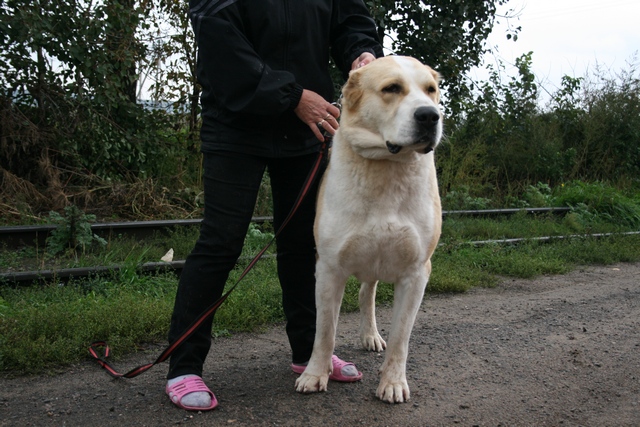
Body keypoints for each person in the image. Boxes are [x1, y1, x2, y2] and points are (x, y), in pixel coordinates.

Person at [165, 0, 384, 411]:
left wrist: (362, 52)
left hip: (306, 128)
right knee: (220, 243)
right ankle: (183, 367)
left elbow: (350, 21)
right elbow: (219, 37)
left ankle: (311, 355)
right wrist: (291, 94)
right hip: (235, 124)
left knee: (305, 245)